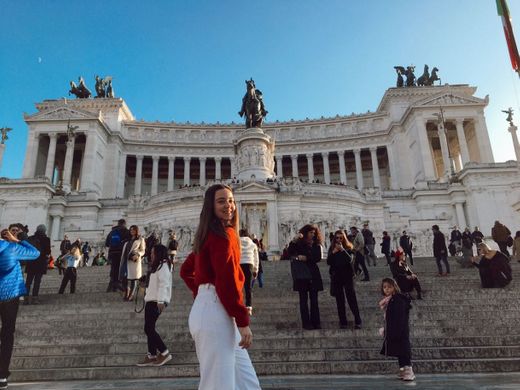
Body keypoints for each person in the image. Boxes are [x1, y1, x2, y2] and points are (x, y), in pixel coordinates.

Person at [180, 184, 261, 390]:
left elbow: (185, 271)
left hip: (212, 310)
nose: (229, 205)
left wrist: (202, 292)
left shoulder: (208, 235)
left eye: (231, 200)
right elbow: (227, 279)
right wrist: (242, 319)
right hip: (215, 312)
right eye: (221, 201)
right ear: (210, 206)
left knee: (247, 381)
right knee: (218, 385)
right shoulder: (223, 235)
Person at [0, 229, 40, 389]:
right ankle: (2, 376)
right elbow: (35, 253)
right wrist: (17, 240)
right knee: (7, 333)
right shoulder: (11, 248)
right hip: (10, 294)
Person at [136, 244, 173, 367]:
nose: (151, 255)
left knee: (149, 328)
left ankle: (164, 352)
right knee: (149, 327)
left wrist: (161, 301)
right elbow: (155, 284)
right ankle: (151, 355)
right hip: (151, 300)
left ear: (158, 253)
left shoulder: (163, 267)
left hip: (157, 301)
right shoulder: (157, 267)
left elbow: (164, 284)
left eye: (153, 253)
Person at [288, 224, 324, 330]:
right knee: (303, 301)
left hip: (313, 274)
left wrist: (306, 258)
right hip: (302, 274)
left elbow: (317, 258)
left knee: (314, 301)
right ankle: (306, 323)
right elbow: (289, 252)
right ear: (305, 233)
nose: (312, 234)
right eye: (310, 232)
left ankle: (316, 322)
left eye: (314, 233)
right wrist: (294, 240)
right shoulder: (298, 244)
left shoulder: (317, 245)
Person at [379, 278, 415, 381]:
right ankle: (403, 370)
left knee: (403, 351)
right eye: (384, 287)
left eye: (389, 287)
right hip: (395, 329)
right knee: (399, 351)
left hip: (400, 329)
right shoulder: (391, 300)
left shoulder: (398, 299)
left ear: (394, 287)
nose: (386, 289)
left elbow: (399, 316)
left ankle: (409, 371)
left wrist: (395, 330)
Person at [327, 230, 362, 329]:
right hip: (336, 276)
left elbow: (350, 259)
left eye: (341, 238)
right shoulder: (332, 249)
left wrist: (342, 250)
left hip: (347, 276)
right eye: (337, 238)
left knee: (351, 298)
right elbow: (329, 262)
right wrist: (334, 252)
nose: (339, 240)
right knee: (340, 300)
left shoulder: (348, 248)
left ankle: (358, 320)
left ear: (344, 238)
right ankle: (343, 322)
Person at [24, 225, 51, 305]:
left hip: (31, 262)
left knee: (28, 282)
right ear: (44, 230)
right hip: (40, 262)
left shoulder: (30, 238)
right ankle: (34, 298)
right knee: (37, 281)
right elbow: (48, 251)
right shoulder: (46, 239)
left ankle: (26, 299)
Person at [119, 225, 146, 301]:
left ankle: (131, 295)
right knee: (124, 278)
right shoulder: (128, 239)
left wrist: (138, 254)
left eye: (133, 230)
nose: (132, 231)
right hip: (125, 260)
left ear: (136, 231)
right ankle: (127, 291)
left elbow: (143, 250)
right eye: (131, 230)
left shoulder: (140, 239)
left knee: (133, 279)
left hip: (134, 261)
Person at [105, 219, 130, 292]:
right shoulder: (126, 231)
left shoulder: (112, 232)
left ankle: (112, 287)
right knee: (122, 269)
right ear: (124, 224)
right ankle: (121, 286)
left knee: (114, 269)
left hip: (112, 253)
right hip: (121, 253)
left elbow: (107, 243)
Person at [239, 229, 259, 316]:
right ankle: (248, 307)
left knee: (238, 286)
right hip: (249, 264)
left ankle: (238, 304)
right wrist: (255, 270)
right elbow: (256, 259)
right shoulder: (253, 244)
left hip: (239, 264)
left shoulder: (236, 242)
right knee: (248, 287)